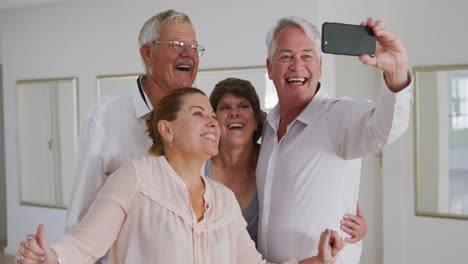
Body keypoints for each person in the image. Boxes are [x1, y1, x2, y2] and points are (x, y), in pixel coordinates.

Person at [15, 88, 345, 264]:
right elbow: (84, 246)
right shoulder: (135, 177)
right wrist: (49, 257)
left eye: (212, 116)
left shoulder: (223, 201)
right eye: (199, 114)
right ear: (167, 129)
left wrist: (315, 261)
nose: (214, 122)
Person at [256, 17, 412, 264]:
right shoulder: (267, 126)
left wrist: (396, 71)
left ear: (320, 65)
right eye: (286, 57)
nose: (297, 65)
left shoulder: (338, 117)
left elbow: (386, 127)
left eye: (307, 56)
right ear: (270, 67)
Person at [65, 9, 202, 237]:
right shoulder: (106, 116)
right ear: (147, 54)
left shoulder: (200, 119)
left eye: (195, 47)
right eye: (177, 44)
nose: (189, 54)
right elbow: (82, 213)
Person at [207, 77, 368, 246]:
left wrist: (356, 222)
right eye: (225, 107)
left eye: (243, 106)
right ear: (214, 121)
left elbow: (321, 185)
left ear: (255, 120)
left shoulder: (272, 159)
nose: (234, 113)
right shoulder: (199, 166)